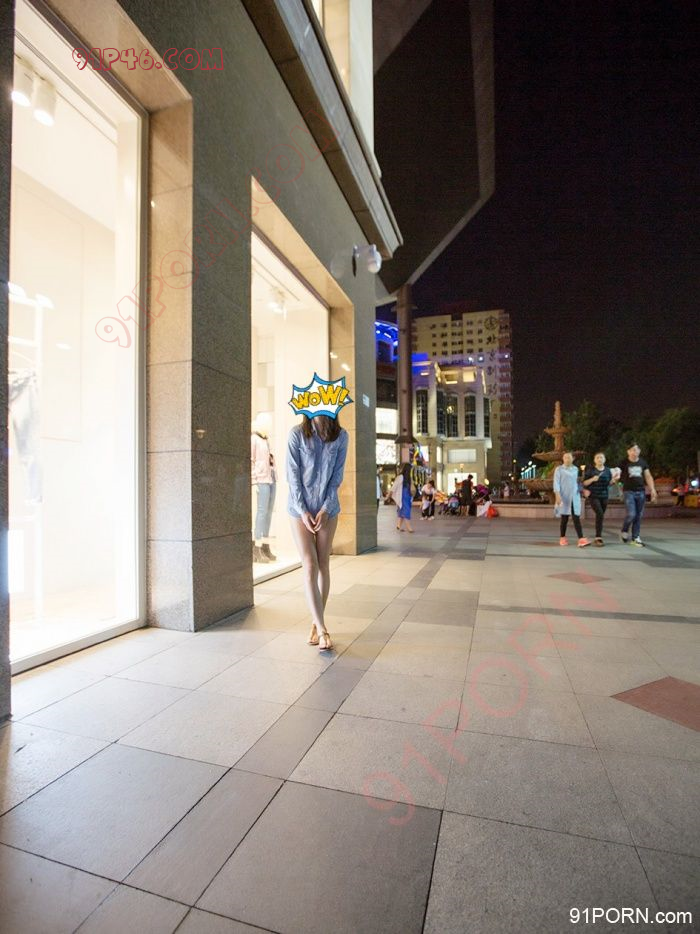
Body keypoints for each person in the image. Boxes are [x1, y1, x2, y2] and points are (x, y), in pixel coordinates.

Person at [287, 413, 349, 650]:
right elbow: (293, 477)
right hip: (298, 509)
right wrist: (303, 511)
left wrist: (324, 509)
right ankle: (323, 629)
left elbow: (336, 478)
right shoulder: (296, 434)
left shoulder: (341, 436)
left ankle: (316, 622)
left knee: (323, 564)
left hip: (327, 508)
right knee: (310, 565)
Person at [619, 442, 657, 546]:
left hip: (641, 492)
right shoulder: (624, 462)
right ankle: (624, 530)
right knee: (631, 514)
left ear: (639, 451)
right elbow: (617, 472)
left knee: (638, 515)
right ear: (628, 452)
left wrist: (652, 489)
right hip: (628, 491)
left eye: (636, 450)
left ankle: (635, 537)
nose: (634, 452)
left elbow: (648, 476)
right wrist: (615, 477)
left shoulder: (643, 462)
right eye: (632, 450)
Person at [553, 452, 590, 547]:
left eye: (569, 457)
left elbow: (576, 482)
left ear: (573, 459)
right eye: (565, 457)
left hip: (574, 496)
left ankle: (581, 539)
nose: (567, 459)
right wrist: (557, 495)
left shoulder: (575, 469)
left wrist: (582, 490)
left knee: (576, 517)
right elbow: (556, 483)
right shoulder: (559, 469)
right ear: (563, 459)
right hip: (564, 496)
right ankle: (562, 537)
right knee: (564, 518)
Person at [582, 452, 613, 545]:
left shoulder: (608, 470)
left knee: (600, 516)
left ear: (604, 459)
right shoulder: (590, 470)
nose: (600, 459)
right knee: (600, 514)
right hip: (594, 496)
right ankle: (598, 537)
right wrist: (592, 479)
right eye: (598, 458)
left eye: (601, 457)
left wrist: (613, 481)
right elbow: (584, 483)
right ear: (594, 460)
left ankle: (598, 536)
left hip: (604, 496)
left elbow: (609, 483)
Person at [391, 463, 414, 532]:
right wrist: (388, 496)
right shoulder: (401, 477)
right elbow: (393, 487)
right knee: (406, 512)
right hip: (403, 497)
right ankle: (409, 528)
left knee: (401, 512)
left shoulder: (409, 478)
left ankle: (398, 526)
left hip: (407, 496)